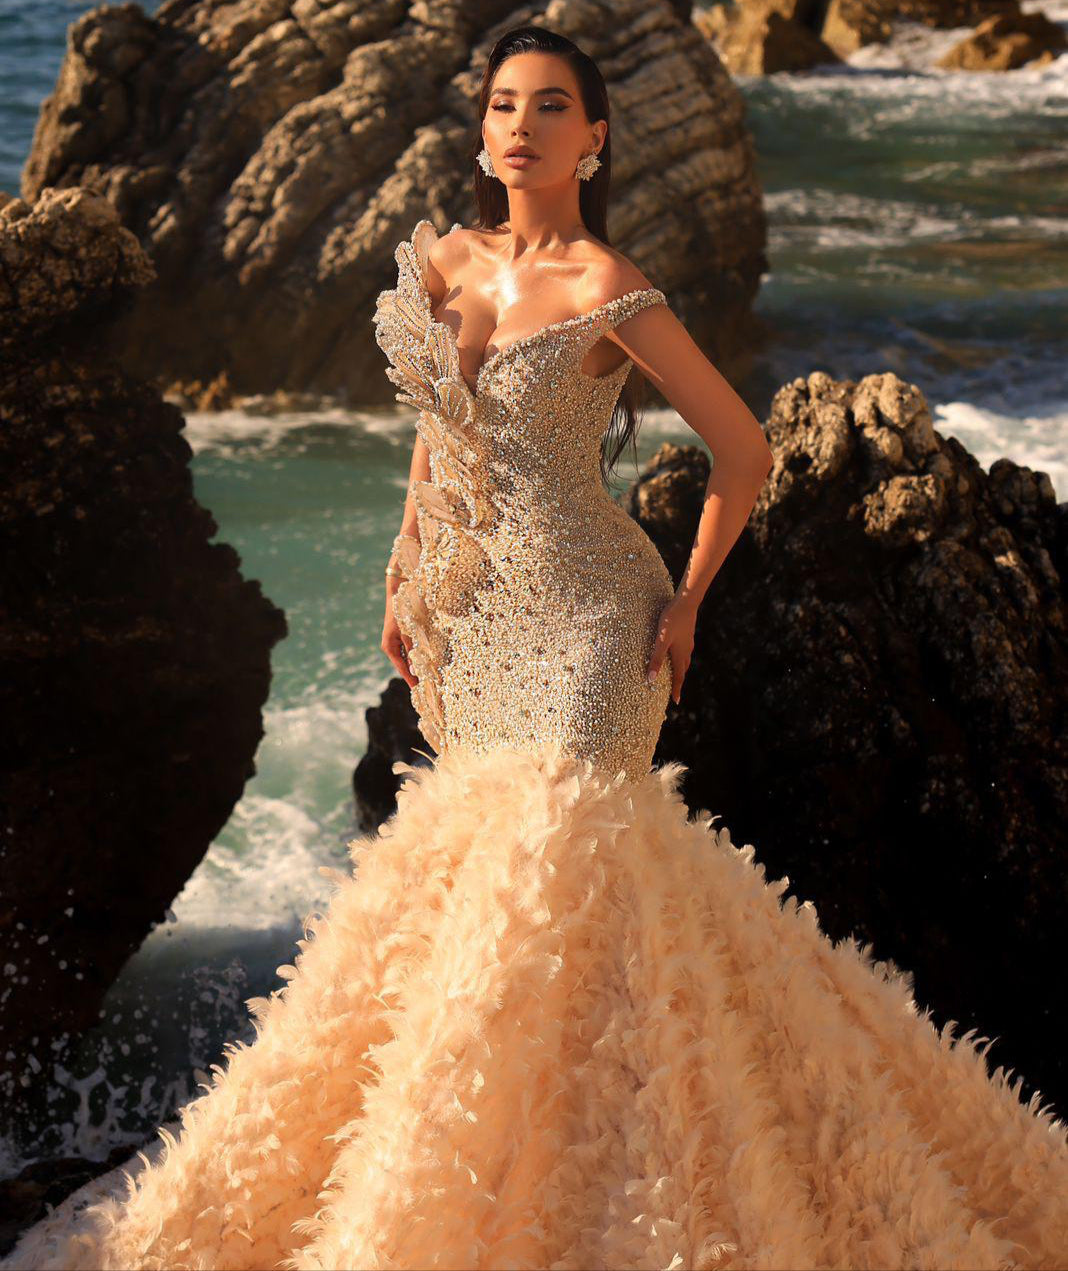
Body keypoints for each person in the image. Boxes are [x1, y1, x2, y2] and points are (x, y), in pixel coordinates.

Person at [7, 24, 1068, 1271]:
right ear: (483, 132)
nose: (521, 124)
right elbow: (436, 435)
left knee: (556, 859)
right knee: (488, 888)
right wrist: (410, 569)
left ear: (595, 138)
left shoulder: (612, 288)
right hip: (480, 617)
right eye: (504, 103)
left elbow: (744, 452)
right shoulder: (448, 262)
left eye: (552, 104)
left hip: (589, 617)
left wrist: (686, 599)